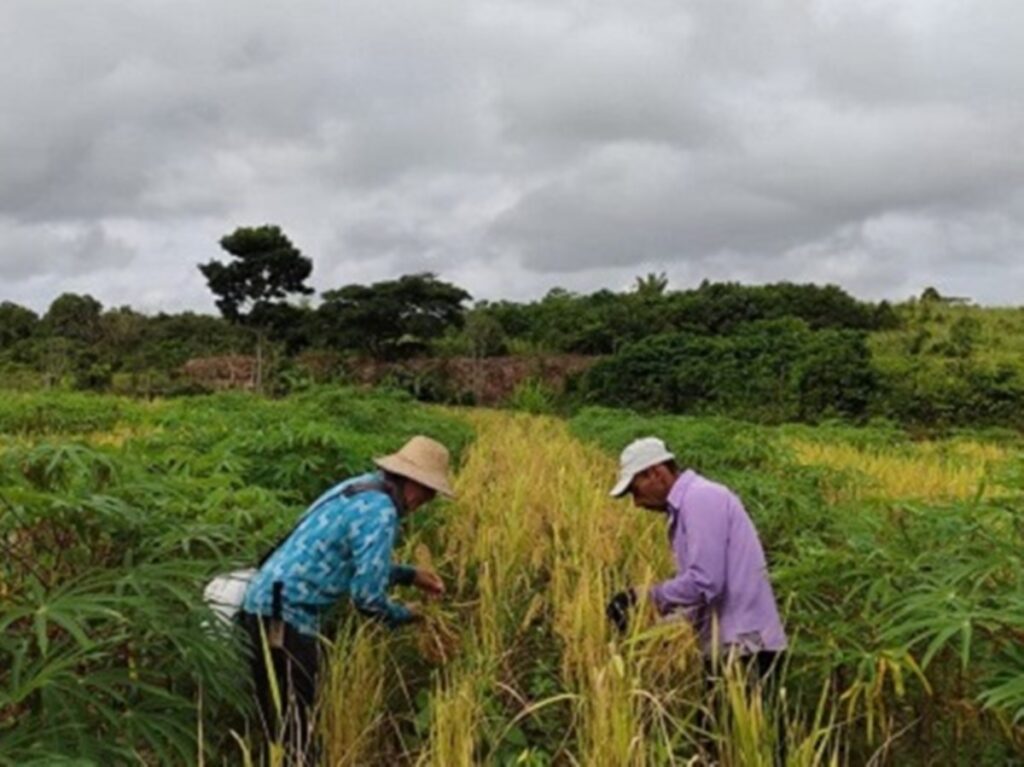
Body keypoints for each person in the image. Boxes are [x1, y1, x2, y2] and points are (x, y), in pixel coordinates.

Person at [239, 435, 454, 761]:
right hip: (284, 618)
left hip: (265, 601)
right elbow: (367, 597)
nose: (426, 502)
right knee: (296, 723)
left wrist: (411, 576)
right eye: (428, 494)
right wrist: (407, 614)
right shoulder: (382, 512)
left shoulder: (361, 487)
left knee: (278, 716)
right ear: (414, 484)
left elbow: (347, 559)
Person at [605, 436, 787, 683]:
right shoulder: (686, 507)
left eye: (635, 490)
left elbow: (706, 582)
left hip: (746, 647)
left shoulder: (701, 499)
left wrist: (646, 597)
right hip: (729, 646)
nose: (636, 503)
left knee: (727, 722)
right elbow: (705, 594)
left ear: (656, 473)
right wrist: (660, 624)